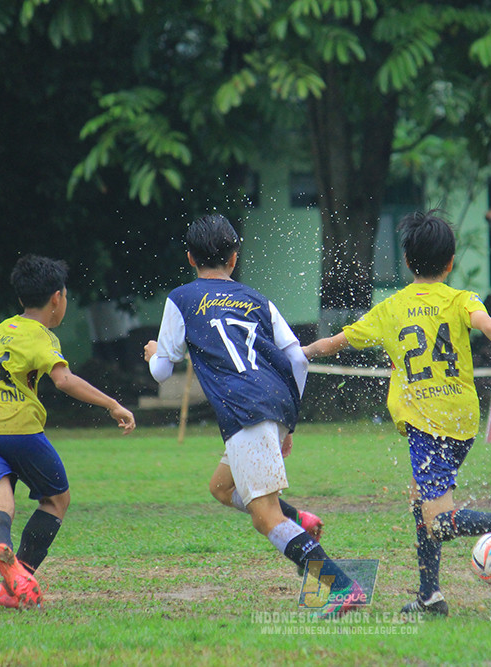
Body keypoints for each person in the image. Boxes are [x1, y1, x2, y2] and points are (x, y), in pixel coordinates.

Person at [302, 209, 491, 616]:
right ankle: (429, 596)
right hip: (464, 420)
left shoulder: (392, 308)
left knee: (437, 519)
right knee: (421, 502)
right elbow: (490, 327)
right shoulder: (460, 299)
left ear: (406, 261)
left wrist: (298, 353)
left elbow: (335, 342)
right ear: (451, 262)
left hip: (427, 423)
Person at [143, 214, 359, 619]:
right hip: (271, 404)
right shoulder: (256, 298)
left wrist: (155, 353)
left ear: (190, 258)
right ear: (234, 258)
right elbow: (296, 358)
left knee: (264, 519)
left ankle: (339, 585)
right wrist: (288, 420)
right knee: (222, 488)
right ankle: (299, 519)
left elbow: (161, 371)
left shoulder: (183, 298)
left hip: (245, 411)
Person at [0, 255, 136, 609]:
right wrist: (112, 404)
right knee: (57, 500)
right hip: (18, 430)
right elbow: (63, 380)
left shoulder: (2, 329)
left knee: (1, 506)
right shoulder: (42, 336)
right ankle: (19, 579)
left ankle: (4, 562)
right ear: (57, 298)